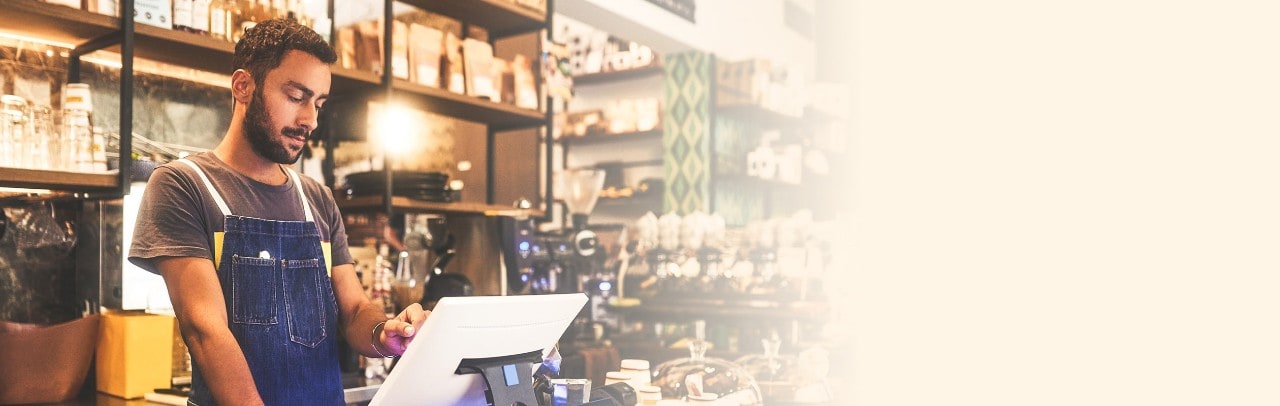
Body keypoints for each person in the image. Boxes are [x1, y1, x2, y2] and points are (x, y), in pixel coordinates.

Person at [128, 19, 427, 405]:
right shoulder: (183, 185)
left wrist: (384, 333)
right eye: (296, 96)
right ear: (243, 86)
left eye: (318, 103)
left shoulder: (316, 199)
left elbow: (352, 311)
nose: (311, 120)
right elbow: (206, 331)